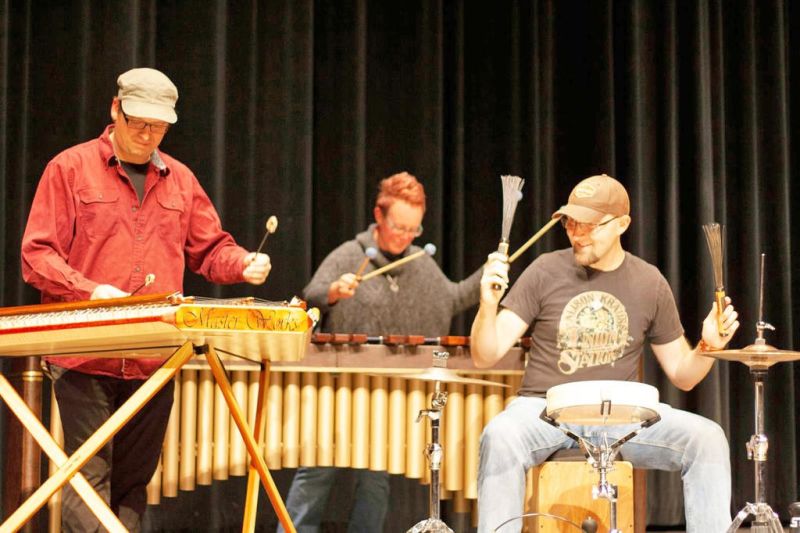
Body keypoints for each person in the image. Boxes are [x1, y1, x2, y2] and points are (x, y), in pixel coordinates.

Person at [20, 67, 271, 532]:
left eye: (158, 127)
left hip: (154, 359)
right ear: (116, 110)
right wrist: (91, 290)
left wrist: (242, 265)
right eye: (139, 123)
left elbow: (211, 248)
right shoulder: (69, 168)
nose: (148, 135)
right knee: (86, 478)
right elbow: (36, 256)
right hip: (85, 356)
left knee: (134, 486)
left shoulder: (180, 180)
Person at [470, 174, 740, 533]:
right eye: (570, 223)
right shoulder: (544, 270)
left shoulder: (649, 282)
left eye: (590, 225)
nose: (577, 233)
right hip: (544, 411)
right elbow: (485, 355)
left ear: (622, 224)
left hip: (622, 417)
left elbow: (682, 374)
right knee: (499, 435)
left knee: (707, 438)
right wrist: (487, 305)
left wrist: (708, 347)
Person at [280, 171, 481, 532]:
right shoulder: (350, 254)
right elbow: (309, 296)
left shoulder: (419, 260)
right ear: (378, 215)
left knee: (375, 481)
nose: (405, 237)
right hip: (336, 387)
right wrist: (333, 293)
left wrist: (491, 274)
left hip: (383, 391)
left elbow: (453, 299)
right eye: (399, 227)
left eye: (414, 230)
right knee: (315, 473)